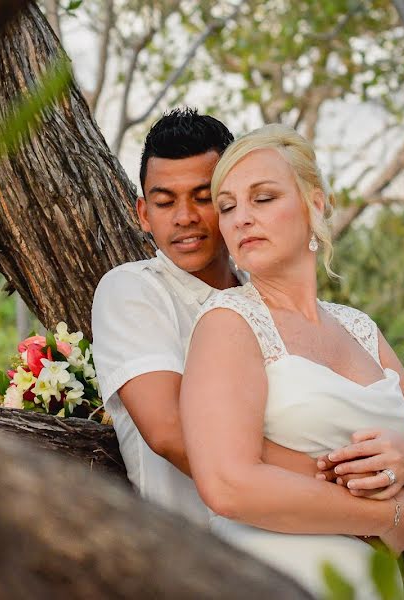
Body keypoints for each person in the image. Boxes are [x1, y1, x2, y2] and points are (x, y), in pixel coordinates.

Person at [180, 124, 404, 598]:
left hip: (369, 583)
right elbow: (227, 484)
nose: (242, 218)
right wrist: (389, 515)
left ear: (315, 204)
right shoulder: (228, 322)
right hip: (272, 576)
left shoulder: (360, 328)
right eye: (227, 206)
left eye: (263, 198)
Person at [91, 109, 316, 526]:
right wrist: (334, 494)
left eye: (203, 197)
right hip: (197, 556)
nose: (184, 218)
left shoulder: (269, 297)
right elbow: (170, 431)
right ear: (143, 213)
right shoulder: (133, 290)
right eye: (164, 201)